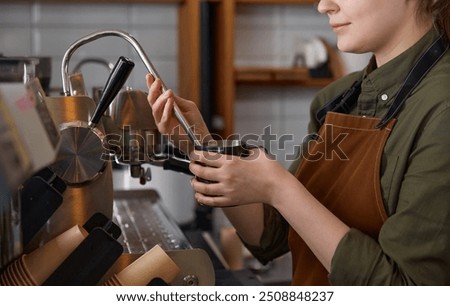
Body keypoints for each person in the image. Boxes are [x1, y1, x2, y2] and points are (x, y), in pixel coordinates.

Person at [146, 0, 450, 285]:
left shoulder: (441, 108)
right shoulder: (338, 99)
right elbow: (274, 236)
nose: (323, 5)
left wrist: (280, 189)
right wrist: (199, 141)